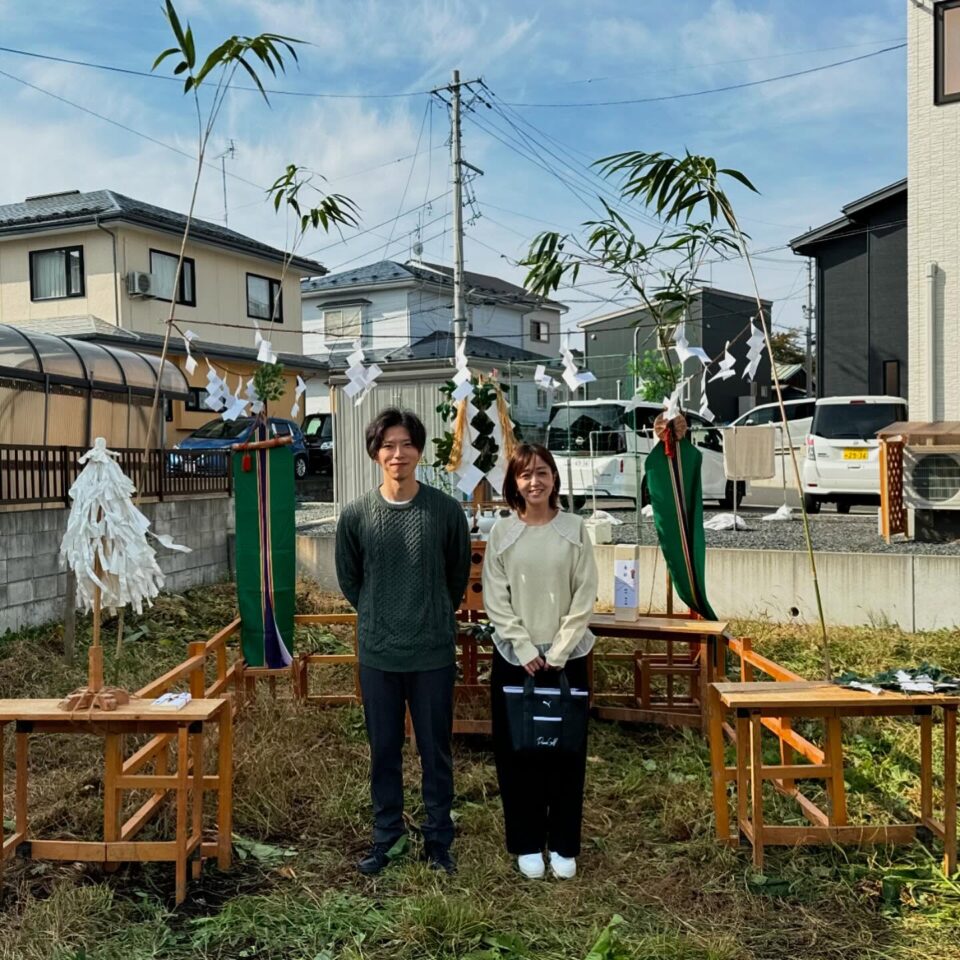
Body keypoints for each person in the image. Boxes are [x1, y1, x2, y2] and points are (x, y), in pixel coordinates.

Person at [335, 408, 471, 875]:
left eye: (407, 444)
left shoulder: (444, 510)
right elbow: (352, 581)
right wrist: (379, 616)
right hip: (378, 652)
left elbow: (455, 576)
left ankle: (438, 841)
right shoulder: (356, 515)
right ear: (376, 453)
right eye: (389, 445)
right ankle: (387, 837)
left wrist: (432, 613)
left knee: (435, 750)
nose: (399, 454)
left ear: (419, 450)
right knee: (384, 750)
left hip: (432, 650)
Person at [482, 443, 598, 880]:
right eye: (525, 474)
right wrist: (526, 649)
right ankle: (527, 842)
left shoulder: (574, 529)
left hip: (568, 658)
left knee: (566, 752)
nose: (535, 481)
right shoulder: (502, 532)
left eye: (543, 472)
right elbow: (496, 596)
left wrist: (561, 649)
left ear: (554, 478)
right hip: (516, 659)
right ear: (514, 482)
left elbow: (585, 592)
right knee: (518, 754)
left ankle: (564, 843)